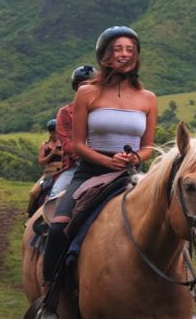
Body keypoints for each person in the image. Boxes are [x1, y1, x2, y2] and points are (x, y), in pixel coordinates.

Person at [39, 26, 158, 309]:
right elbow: (78, 144)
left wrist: (135, 158)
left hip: (131, 173)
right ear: (105, 55)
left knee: (170, 221)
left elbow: (148, 147)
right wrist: (107, 161)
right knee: (58, 228)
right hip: (91, 172)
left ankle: (183, 293)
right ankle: (51, 298)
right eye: (117, 49)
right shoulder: (87, 93)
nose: (124, 54)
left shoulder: (148, 98)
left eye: (130, 50)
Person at [47, 65, 97, 202]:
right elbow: (67, 143)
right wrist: (91, 156)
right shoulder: (65, 112)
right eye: (83, 85)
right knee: (55, 195)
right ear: (76, 88)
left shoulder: (105, 109)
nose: (88, 88)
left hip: (110, 160)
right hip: (78, 164)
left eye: (92, 84)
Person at [28, 119, 63, 217]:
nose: (55, 134)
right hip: (48, 173)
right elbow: (41, 162)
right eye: (53, 132)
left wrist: (59, 153)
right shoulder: (45, 145)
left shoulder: (64, 142)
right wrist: (51, 154)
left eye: (56, 131)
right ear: (50, 132)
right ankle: (30, 212)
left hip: (62, 171)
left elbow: (71, 155)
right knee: (33, 192)